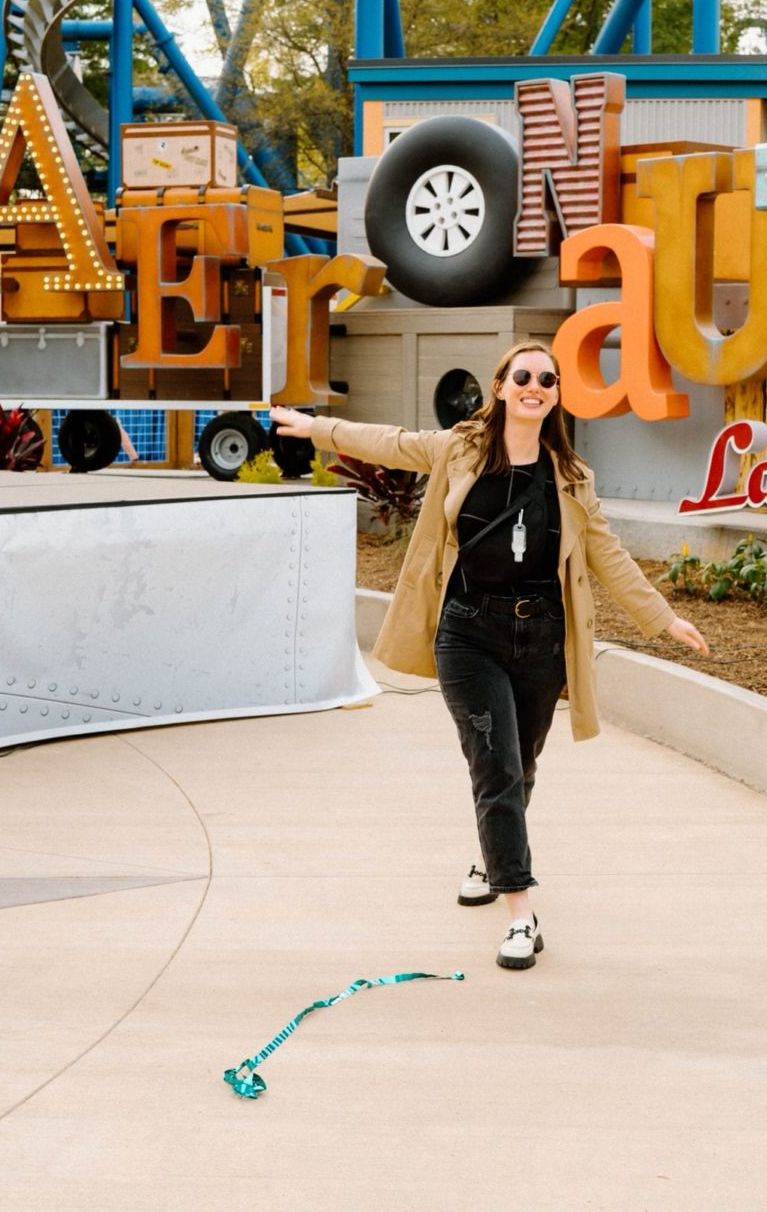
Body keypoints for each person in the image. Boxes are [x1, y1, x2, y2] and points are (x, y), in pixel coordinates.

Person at [272, 340, 708, 973]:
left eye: (548, 378)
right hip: (468, 634)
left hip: (541, 642)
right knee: (496, 764)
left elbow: (606, 554)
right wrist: (318, 427)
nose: (535, 385)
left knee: (521, 764)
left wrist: (663, 618)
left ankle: (490, 855)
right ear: (500, 386)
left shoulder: (572, 477)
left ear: (557, 394)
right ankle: (521, 916)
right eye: (523, 375)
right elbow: (388, 441)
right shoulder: (459, 449)